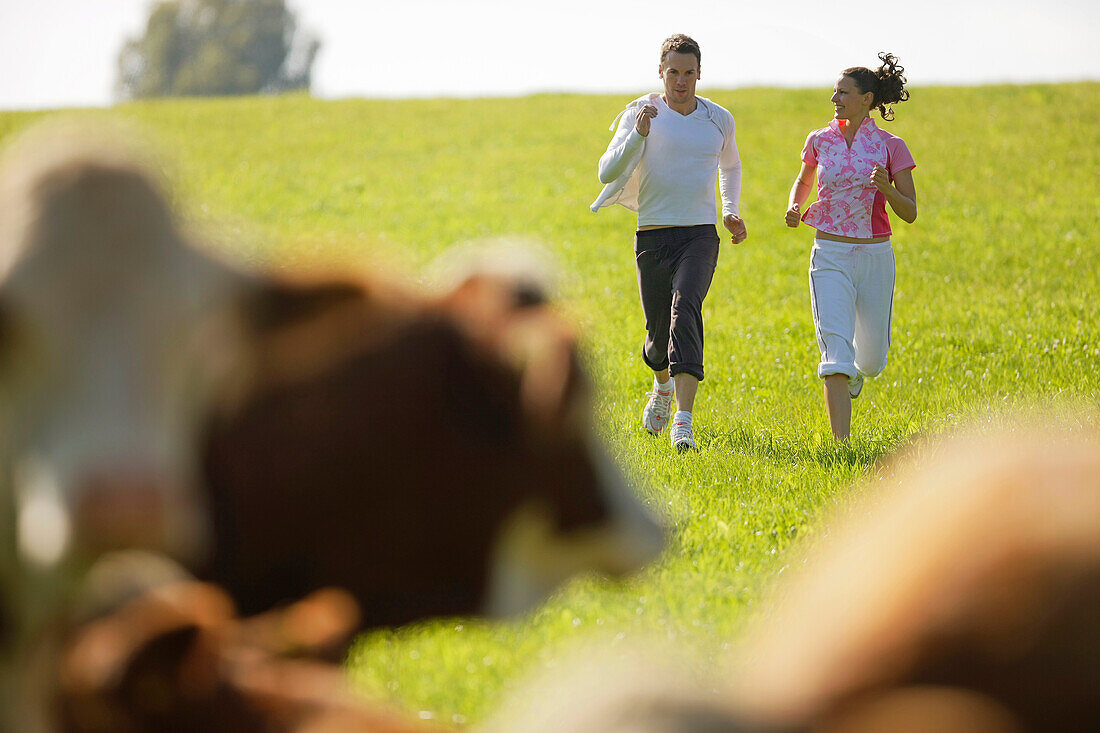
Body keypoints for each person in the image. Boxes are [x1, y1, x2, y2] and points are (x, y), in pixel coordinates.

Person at [591, 33, 746, 452]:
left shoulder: (718, 118)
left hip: (699, 234)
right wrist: (637, 136)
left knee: (686, 308)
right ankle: (660, 387)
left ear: (699, 73)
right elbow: (607, 171)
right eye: (673, 72)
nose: (681, 81)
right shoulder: (641, 113)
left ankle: (684, 421)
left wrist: (729, 210)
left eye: (689, 73)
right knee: (658, 339)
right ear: (661, 72)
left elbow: (730, 166)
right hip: (653, 234)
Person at [784, 52, 917, 441]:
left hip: (875, 256)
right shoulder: (819, 140)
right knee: (836, 354)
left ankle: (859, 373)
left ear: (867, 99)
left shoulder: (892, 146)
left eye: (843, 92)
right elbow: (804, 181)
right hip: (829, 255)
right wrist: (794, 205)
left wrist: (886, 188)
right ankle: (842, 448)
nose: (835, 98)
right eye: (834, 91)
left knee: (871, 361)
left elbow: (909, 212)